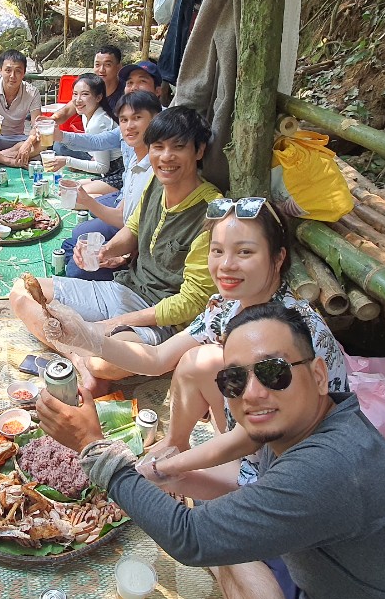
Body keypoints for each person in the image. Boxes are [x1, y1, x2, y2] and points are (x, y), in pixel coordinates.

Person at [36, 300, 385, 599]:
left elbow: (191, 541)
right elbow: (237, 475)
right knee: (225, 539)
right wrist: (158, 472)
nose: (254, 392)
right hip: (353, 591)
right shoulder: (310, 420)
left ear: (320, 373)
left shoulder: (329, 468)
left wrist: (96, 449)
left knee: (211, 540)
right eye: (234, 380)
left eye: (274, 371)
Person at [42, 197, 349, 468]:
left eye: (244, 252)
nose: (226, 265)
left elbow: (256, 435)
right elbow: (157, 358)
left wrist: (173, 469)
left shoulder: (295, 331)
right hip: (250, 435)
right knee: (196, 360)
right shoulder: (225, 307)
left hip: (291, 463)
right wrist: (85, 336)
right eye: (217, 251)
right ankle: (177, 441)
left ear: (278, 258)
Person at [9, 106, 223, 387]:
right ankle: (76, 357)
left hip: (160, 317)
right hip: (124, 288)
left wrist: (109, 326)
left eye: (178, 147)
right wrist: (105, 252)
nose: (166, 157)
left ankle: (88, 355)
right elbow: (133, 228)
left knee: (104, 362)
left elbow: (191, 302)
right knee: (22, 291)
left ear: (199, 151)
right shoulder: (156, 184)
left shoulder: (211, 214)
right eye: (158, 147)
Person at [48, 90, 162, 280]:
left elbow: (147, 233)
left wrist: (122, 256)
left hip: (141, 253)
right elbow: (123, 217)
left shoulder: (158, 171)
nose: (129, 126)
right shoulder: (135, 160)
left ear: (156, 119)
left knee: (76, 268)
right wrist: (85, 198)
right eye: (124, 120)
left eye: (137, 118)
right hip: (129, 235)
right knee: (72, 245)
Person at [0, 49, 41, 164]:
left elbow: (37, 124)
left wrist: (28, 142)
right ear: (0, 70)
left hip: (16, 140)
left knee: (44, 140)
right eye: (8, 70)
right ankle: (9, 158)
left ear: (24, 73)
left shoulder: (32, 92)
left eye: (18, 71)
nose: (12, 76)